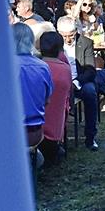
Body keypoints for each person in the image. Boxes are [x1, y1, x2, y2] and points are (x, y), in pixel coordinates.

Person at [57, 16, 105, 150]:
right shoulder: (55, 43)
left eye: (71, 35)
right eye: (64, 36)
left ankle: (90, 136)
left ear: (76, 31)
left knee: (90, 92)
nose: (67, 39)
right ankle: (56, 138)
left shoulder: (85, 42)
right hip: (61, 81)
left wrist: (76, 82)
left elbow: (90, 70)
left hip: (80, 80)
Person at [14, 22, 52, 149]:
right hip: (35, 131)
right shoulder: (43, 67)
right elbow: (47, 100)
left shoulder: (3, 67)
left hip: (11, 132)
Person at [38, 31, 73, 165]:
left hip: (35, 131)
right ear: (60, 49)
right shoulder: (65, 69)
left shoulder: (36, 68)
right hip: (55, 133)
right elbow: (68, 96)